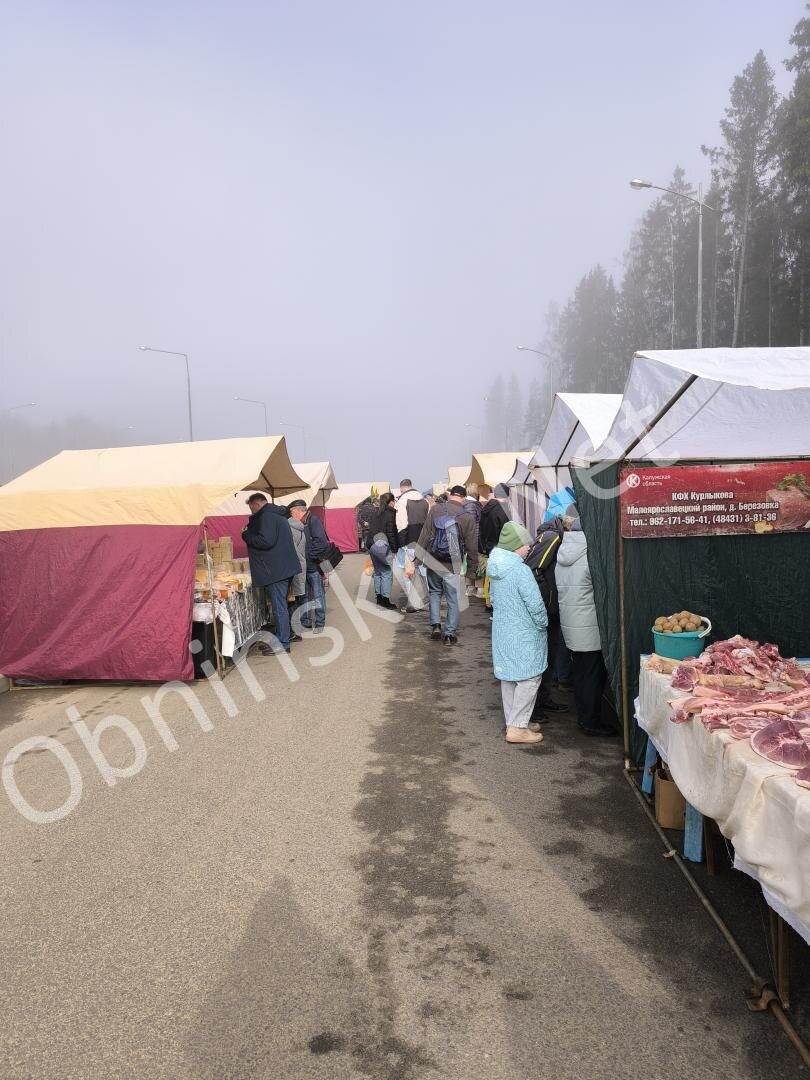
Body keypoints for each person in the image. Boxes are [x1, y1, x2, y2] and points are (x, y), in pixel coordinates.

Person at [487, 521, 547, 746]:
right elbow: (535, 604)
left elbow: (493, 599)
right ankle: (518, 727)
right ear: (515, 546)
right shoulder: (521, 570)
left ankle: (514, 721)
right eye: (525, 544)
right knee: (530, 677)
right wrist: (543, 624)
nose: (529, 547)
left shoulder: (496, 568)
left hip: (503, 629)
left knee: (510, 676)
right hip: (525, 630)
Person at [556, 516, 616, 737]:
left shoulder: (563, 553)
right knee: (592, 676)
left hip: (571, 624)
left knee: (581, 674)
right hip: (589, 626)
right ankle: (591, 721)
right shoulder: (590, 555)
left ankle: (584, 717)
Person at [415, 484, 478, 644]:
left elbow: (425, 535)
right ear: (463, 498)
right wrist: (471, 571)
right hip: (453, 564)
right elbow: (472, 547)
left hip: (432, 560)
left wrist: (417, 559)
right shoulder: (467, 517)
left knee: (435, 593)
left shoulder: (435, 510)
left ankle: (436, 625)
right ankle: (449, 634)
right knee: (452, 598)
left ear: (450, 496)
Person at [242, 493, 300, 654]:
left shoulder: (266, 516)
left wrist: (246, 535)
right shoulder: (277, 514)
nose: (251, 511)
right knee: (283, 604)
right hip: (284, 567)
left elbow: (266, 541)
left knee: (279, 607)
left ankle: (283, 643)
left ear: (256, 504)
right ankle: (287, 634)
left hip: (275, 570)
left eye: (251, 507)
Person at [524, 516, 568, 720]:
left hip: (549, 607)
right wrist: (547, 598)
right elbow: (534, 568)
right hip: (547, 608)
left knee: (549, 655)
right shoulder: (552, 538)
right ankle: (534, 707)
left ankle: (543, 699)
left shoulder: (548, 535)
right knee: (543, 656)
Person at [288, 500, 329, 633]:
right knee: (303, 594)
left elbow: (321, 543)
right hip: (303, 566)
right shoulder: (300, 523)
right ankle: (305, 622)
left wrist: (308, 556)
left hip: (313, 565)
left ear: (298, 510)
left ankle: (319, 623)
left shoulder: (313, 520)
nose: (290, 514)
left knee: (318, 595)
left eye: (291, 511)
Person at [395, 478, 428, 613]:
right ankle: (426, 599)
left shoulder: (402, 502)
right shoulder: (424, 501)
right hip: (424, 542)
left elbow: (401, 525)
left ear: (402, 488)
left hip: (409, 542)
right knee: (424, 571)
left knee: (409, 572)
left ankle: (414, 603)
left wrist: (402, 545)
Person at [364, 491, 399, 609]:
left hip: (372, 545)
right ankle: (385, 600)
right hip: (383, 546)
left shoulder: (375, 512)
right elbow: (391, 533)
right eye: (394, 501)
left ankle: (379, 598)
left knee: (378, 572)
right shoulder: (390, 514)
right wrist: (394, 549)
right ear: (391, 502)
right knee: (387, 572)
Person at [286, 504, 308, 642]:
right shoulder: (300, 527)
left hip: (293, 568)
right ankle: (296, 628)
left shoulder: (289, 528)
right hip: (301, 566)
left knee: (291, 600)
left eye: (291, 511)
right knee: (295, 600)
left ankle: (293, 631)